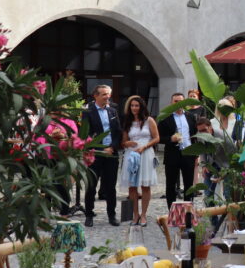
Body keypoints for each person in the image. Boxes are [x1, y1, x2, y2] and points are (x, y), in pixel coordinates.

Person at [81, 84, 122, 227]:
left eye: (108, 94)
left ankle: (112, 214)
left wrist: (113, 147)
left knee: (111, 186)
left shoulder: (113, 111)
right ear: (96, 96)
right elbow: (85, 134)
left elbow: (117, 131)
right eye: (104, 94)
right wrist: (98, 148)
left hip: (111, 153)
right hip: (95, 154)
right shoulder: (88, 112)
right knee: (91, 185)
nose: (107, 97)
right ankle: (89, 214)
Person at [119, 95, 159, 226]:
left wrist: (145, 146)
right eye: (132, 105)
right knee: (132, 186)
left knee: (145, 185)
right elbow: (123, 142)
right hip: (131, 154)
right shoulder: (127, 121)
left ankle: (143, 215)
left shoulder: (149, 120)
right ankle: (135, 214)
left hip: (146, 152)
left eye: (136, 105)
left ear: (141, 107)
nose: (134, 108)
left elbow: (156, 138)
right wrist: (127, 143)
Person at [158, 92, 199, 208]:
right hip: (172, 155)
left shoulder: (191, 117)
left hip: (188, 154)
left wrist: (196, 154)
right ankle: (172, 212)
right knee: (170, 186)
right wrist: (170, 138)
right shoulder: (165, 118)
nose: (179, 103)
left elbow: (195, 136)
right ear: (171, 103)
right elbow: (158, 137)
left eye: (181, 101)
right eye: (176, 101)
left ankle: (188, 213)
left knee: (189, 186)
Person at [196, 116, 235, 202]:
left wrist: (224, 173)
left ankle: (229, 214)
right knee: (207, 194)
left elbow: (233, 156)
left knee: (228, 193)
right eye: (200, 131)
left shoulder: (223, 136)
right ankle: (212, 215)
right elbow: (202, 151)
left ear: (210, 127)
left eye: (204, 130)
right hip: (210, 164)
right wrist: (203, 165)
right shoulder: (199, 135)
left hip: (226, 165)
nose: (202, 133)